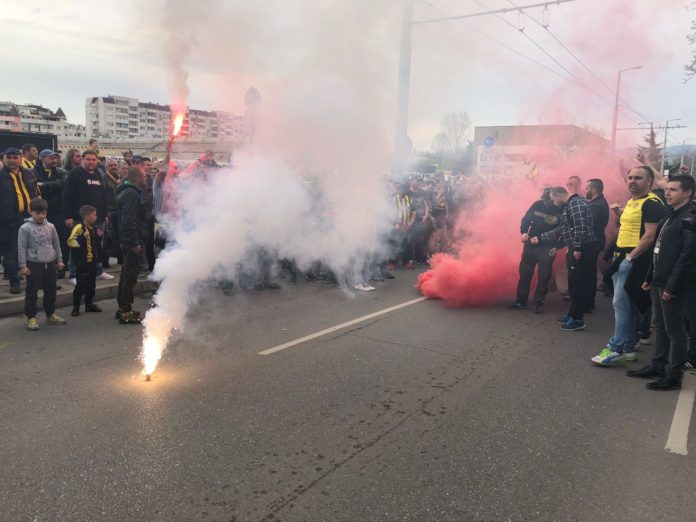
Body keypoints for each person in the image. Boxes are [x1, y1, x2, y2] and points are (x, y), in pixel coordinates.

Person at [626, 175, 696, 390]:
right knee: (660, 327)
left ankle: (673, 376)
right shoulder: (670, 216)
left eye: (673, 190)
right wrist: (650, 277)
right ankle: (658, 365)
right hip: (659, 281)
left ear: (688, 193)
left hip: (672, 285)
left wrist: (671, 287)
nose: (667, 193)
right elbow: (659, 251)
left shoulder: (689, 219)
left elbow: (686, 257)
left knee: (675, 332)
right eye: (667, 189)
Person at [591, 166, 666, 366]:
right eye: (630, 177)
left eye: (638, 178)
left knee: (620, 304)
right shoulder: (634, 202)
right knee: (629, 305)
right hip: (623, 256)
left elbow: (649, 236)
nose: (632, 181)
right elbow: (628, 225)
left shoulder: (652, 203)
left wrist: (630, 258)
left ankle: (615, 347)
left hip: (634, 258)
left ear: (649, 181)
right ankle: (630, 346)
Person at [532, 186, 597, 330]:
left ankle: (577, 319)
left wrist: (578, 249)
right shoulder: (570, 206)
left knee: (577, 284)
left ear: (558, 196)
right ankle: (573, 313)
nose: (554, 203)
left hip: (582, 249)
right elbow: (562, 229)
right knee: (573, 283)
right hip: (576, 247)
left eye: (553, 199)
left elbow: (580, 228)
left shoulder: (576, 204)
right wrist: (541, 238)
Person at [63, 149, 114, 283]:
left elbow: (103, 195)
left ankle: (97, 271)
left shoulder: (98, 174)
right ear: (83, 160)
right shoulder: (75, 174)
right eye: (88, 159)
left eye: (93, 159)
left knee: (97, 246)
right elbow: (67, 196)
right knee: (78, 247)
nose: (91, 162)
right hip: (79, 219)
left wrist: (104, 214)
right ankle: (74, 275)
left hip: (97, 219)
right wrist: (68, 216)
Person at [509, 187, 561, 313]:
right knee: (525, 273)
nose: (549, 199)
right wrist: (523, 233)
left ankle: (538, 303)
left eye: (552, 196)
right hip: (530, 244)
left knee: (544, 275)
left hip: (547, 246)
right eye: (548, 196)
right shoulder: (537, 205)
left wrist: (557, 246)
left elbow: (562, 230)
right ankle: (521, 301)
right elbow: (526, 220)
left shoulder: (561, 209)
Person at [17, 197, 66, 330]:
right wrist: (23, 265)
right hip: (34, 264)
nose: (41, 216)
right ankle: (31, 317)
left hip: (50, 263)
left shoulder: (51, 226)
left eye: (43, 213)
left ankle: (50, 314)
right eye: (37, 213)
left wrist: (60, 259)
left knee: (51, 290)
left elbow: (56, 243)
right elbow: (21, 247)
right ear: (30, 211)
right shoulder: (25, 228)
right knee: (32, 291)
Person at [0, 147, 39, 294]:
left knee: (34, 251)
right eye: (8, 157)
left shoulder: (28, 173)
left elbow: (35, 193)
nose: (11, 160)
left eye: (14, 157)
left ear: (20, 158)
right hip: (8, 221)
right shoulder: (0, 176)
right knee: (11, 253)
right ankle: (14, 281)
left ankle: (37, 281)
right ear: (4, 159)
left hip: (30, 219)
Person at [115, 166, 148, 324]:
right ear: (137, 178)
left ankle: (123, 307)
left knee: (126, 274)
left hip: (128, 240)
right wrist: (134, 243)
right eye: (144, 177)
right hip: (132, 242)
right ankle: (126, 311)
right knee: (130, 276)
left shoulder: (127, 191)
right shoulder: (131, 194)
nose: (146, 179)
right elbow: (128, 221)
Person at [33, 149, 68, 275]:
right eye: (51, 158)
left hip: (58, 211)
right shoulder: (33, 172)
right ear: (42, 158)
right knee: (42, 241)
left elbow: (62, 184)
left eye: (55, 158)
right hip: (41, 212)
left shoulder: (61, 171)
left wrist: (43, 185)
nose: (54, 161)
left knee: (59, 241)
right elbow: (34, 187)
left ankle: (61, 268)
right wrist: (53, 185)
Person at [68, 205, 103, 317]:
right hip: (82, 263)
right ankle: (76, 307)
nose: (96, 217)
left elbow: (95, 245)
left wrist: (99, 237)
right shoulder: (79, 227)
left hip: (92, 261)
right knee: (81, 285)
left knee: (91, 284)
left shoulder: (93, 228)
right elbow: (71, 241)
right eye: (94, 215)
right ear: (87, 216)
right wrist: (81, 239)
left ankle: (89, 303)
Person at [585, 178, 609, 312]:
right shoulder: (599, 202)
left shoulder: (595, 206)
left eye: (587, 188)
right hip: (596, 242)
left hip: (591, 244)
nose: (585, 191)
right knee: (590, 272)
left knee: (587, 274)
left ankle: (587, 303)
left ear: (593, 189)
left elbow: (588, 226)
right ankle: (588, 302)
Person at [102, 158, 120, 268]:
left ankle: (119, 258)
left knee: (117, 236)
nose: (114, 167)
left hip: (118, 210)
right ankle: (105, 261)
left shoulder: (119, 178)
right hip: (109, 211)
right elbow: (103, 196)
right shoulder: (104, 178)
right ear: (107, 166)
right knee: (108, 237)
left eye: (115, 165)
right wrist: (106, 212)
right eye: (111, 165)